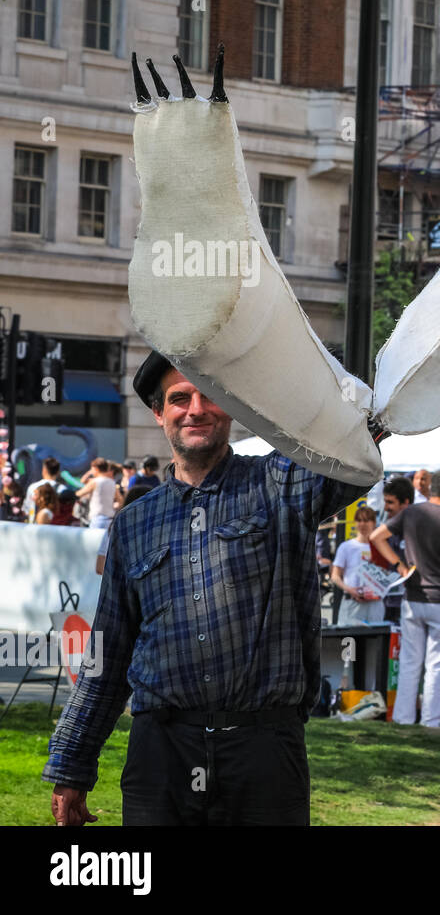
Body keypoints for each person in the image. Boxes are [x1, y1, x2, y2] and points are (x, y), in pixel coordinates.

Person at [44, 350, 373, 826]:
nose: (195, 409)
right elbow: (108, 653)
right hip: (161, 755)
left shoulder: (282, 481)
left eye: (211, 395)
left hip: (263, 752)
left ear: (232, 407)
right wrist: (72, 764)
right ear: (159, 413)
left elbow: (362, 436)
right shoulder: (134, 522)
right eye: (180, 398)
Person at [370, 466, 440, 728]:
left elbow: (376, 536)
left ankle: (403, 720)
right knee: (437, 666)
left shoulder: (411, 513)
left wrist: (399, 566)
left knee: (409, 663)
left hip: (414, 597)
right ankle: (430, 722)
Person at [331, 506, 387, 625]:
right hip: (352, 603)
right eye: (359, 520)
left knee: (375, 641)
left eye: (366, 521)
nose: (362, 524)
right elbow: (335, 576)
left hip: (375, 604)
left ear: (374, 523)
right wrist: (350, 590)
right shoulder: (346, 547)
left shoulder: (382, 547)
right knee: (349, 641)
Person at [378, 475, 417, 624]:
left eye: (390, 502)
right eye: (385, 502)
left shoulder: (417, 526)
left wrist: (400, 565)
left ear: (405, 503)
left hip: (411, 602)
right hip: (386, 600)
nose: (386, 507)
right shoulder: (386, 525)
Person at [75, 458, 117, 530]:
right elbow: (120, 499)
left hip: (97, 519)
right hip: (110, 519)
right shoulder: (112, 482)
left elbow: (79, 493)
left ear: (96, 469)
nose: (91, 471)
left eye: (92, 469)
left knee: (94, 541)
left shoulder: (94, 482)